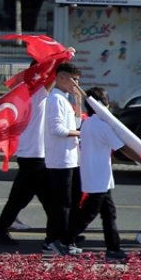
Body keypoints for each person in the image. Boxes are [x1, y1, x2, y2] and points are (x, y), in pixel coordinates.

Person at [64, 87, 141, 261]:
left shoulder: (88, 122)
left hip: (98, 175)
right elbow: (124, 148)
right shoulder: (103, 125)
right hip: (98, 177)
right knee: (89, 213)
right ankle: (63, 239)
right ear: (103, 104)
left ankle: (113, 248)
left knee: (108, 213)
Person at [0, 63, 51, 246]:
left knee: (34, 199)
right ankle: (63, 233)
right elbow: (53, 78)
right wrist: (62, 58)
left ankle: (64, 232)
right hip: (33, 155)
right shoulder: (36, 92)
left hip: (32, 154)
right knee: (37, 199)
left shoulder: (24, 93)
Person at [43, 63, 84, 256]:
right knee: (61, 204)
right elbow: (56, 129)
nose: (76, 84)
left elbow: (75, 124)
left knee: (69, 202)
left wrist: (78, 102)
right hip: (60, 160)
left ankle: (62, 240)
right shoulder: (55, 99)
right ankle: (53, 241)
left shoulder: (65, 99)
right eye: (73, 79)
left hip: (70, 159)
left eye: (78, 80)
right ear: (60, 77)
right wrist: (81, 133)